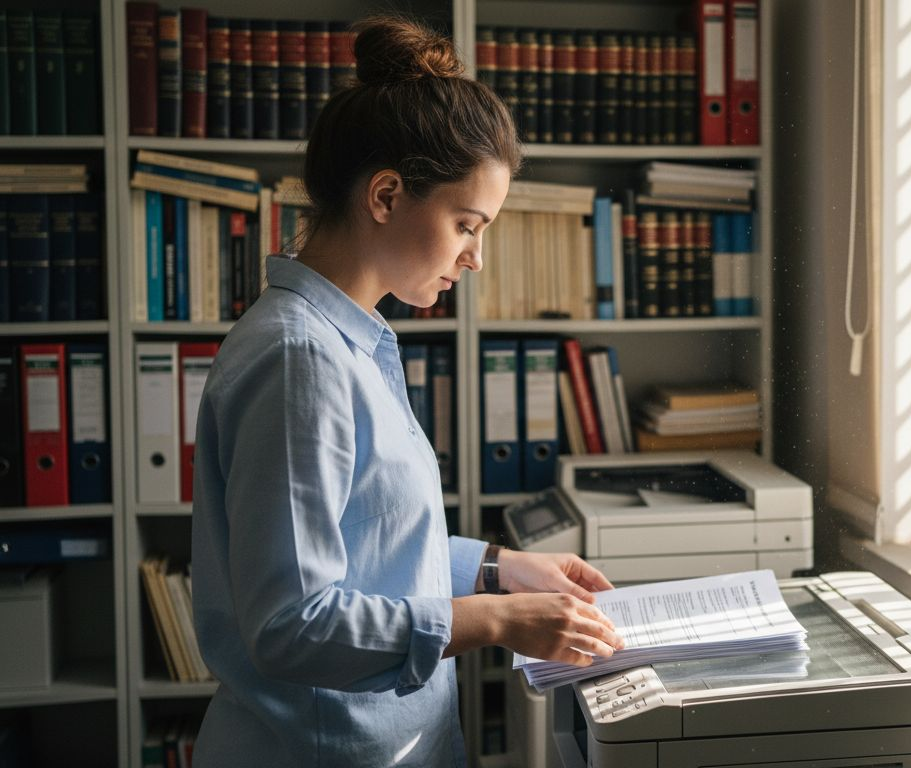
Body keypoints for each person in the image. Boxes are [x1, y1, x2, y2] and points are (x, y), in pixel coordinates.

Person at [189, 15, 623, 767]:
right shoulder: (301, 359)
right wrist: (493, 619)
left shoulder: (351, 340)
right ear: (386, 195)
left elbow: (368, 539)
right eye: (466, 224)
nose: (475, 258)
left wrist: (496, 567)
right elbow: (295, 624)